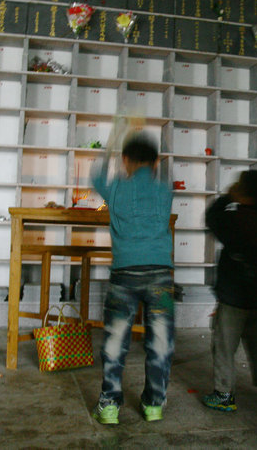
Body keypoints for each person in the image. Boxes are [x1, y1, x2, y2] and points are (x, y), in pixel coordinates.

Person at [90, 131, 175, 425]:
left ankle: (110, 405)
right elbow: (164, 174)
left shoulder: (114, 188)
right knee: (160, 342)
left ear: (125, 161)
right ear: (156, 164)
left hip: (124, 274)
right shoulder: (165, 190)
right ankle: (154, 405)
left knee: (115, 340)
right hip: (161, 276)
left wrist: (110, 146)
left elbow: (96, 176)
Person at [202, 170, 257, 413]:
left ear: (244, 194)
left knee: (224, 347)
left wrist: (228, 197)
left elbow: (211, 218)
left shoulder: (234, 219)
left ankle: (224, 394)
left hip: (232, 300)